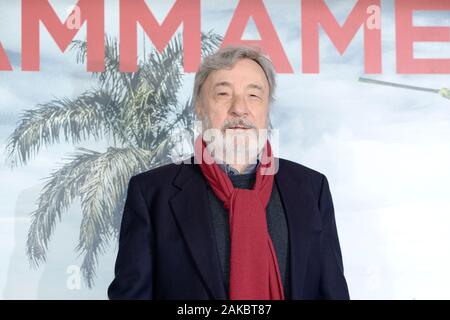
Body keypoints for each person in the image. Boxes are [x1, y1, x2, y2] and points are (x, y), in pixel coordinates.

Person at [108, 45, 349, 300]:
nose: (239, 108)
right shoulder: (151, 193)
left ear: (268, 109)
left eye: (254, 96)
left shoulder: (311, 189)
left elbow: (332, 293)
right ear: (199, 107)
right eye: (223, 94)